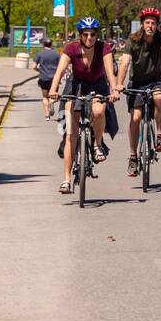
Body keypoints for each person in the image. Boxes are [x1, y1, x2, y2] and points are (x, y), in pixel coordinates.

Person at [48, 17, 120, 194]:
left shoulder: (104, 48)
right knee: (71, 134)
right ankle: (66, 180)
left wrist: (115, 90)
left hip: (98, 85)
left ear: (97, 34)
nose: (89, 38)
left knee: (99, 110)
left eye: (92, 34)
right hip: (76, 85)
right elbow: (60, 72)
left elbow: (110, 73)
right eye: (85, 34)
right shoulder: (71, 48)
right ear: (80, 35)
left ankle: (97, 144)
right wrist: (53, 91)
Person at [116, 8, 161, 175]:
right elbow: (124, 63)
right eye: (147, 22)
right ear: (142, 24)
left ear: (157, 25)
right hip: (137, 82)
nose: (150, 25)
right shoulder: (133, 40)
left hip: (156, 81)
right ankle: (133, 157)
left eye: (153, 23)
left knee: (158, 98)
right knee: (135, 117)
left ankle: (159, 136)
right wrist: (118, 85)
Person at [32, 38, 61, 120]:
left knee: (45, 97)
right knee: (53, 95)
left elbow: (33, 67)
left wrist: (39, 70)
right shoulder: (56, 54)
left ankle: (47, 115)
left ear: (43, 45)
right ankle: (52, 101)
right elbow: (61, 66)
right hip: (54, 79)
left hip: (43, 78)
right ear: (51, 44)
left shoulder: (39, 54)